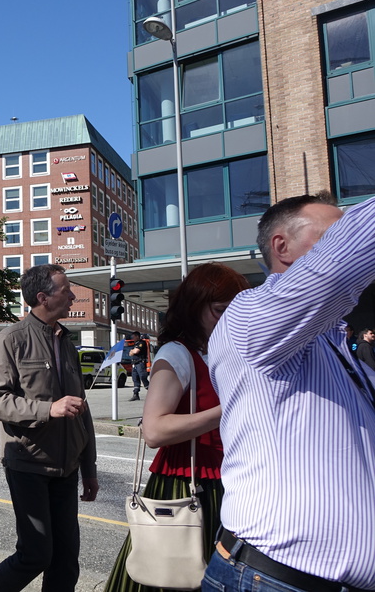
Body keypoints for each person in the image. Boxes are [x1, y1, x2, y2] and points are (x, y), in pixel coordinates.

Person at [206, 193, 375, 591]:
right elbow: (339, 267)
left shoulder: (336, 344)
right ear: (281, 247)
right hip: (273, 579)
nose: (344, 244)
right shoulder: (249, 313)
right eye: (333, 236)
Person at [103, 263, 250, 592]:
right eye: (220, 310)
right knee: (172, 576)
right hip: (188, 484)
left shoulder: (222, 351)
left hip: (228, 481)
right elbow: (155, 430)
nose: (229, 319)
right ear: (194, 307)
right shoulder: (177, 353)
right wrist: (228, 410)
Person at [0, 264, 98, 592]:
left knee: (66, 561)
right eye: (66, 290)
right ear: (43, 297)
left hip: (66, 469)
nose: (72, 296)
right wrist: (48, 409)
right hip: (29, 464)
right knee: (36, 554)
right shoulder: (12, 339)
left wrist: (89, 469)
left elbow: (82, 409)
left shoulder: (66, 342)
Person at [128, 331, 149, 401]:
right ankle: (135, 394)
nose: (132, 338)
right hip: (135, 364)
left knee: (143, 377)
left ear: (137, 336)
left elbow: (136, 351)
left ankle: (152, 391)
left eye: (133, 336)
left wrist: (132, 351)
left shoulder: (141, 343)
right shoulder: (135, 344)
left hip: (140, 363)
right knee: (135, 379)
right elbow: (130, 353)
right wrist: (132, 351)